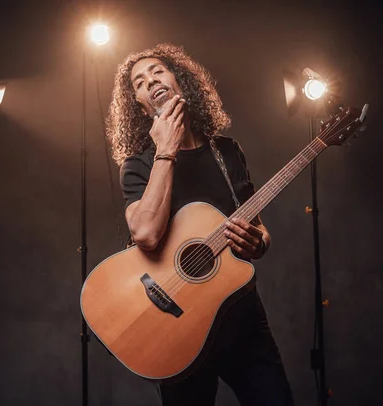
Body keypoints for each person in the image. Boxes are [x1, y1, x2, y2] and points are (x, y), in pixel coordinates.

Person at [105, 43, 294, 406]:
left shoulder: (227, 152)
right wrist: (166, 150)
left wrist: (260, 243)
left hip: (241, 318)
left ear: (180, 80)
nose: (150, 81)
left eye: (157, 70)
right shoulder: (138, 165)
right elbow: (144, 234)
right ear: (141, 106)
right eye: (139, 82)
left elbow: (259, 227)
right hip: (179, 328)